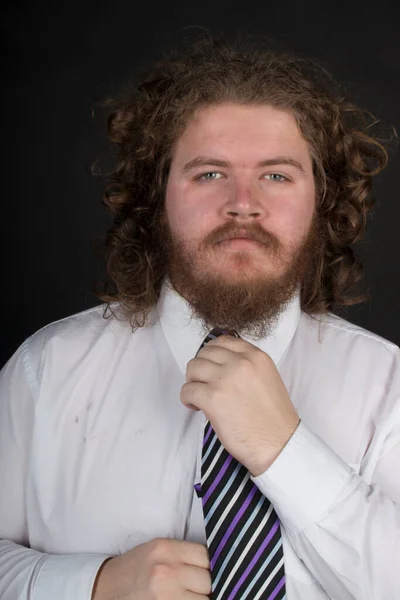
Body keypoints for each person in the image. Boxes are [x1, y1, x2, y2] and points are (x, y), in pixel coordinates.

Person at [0, 34, 399, 600]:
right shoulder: (46, 372)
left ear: (322, 200)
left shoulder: (389, 388)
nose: (243, 201)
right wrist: (93, 585)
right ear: (157, 194)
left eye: (278, 175)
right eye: (209, 173)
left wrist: (285, 450)